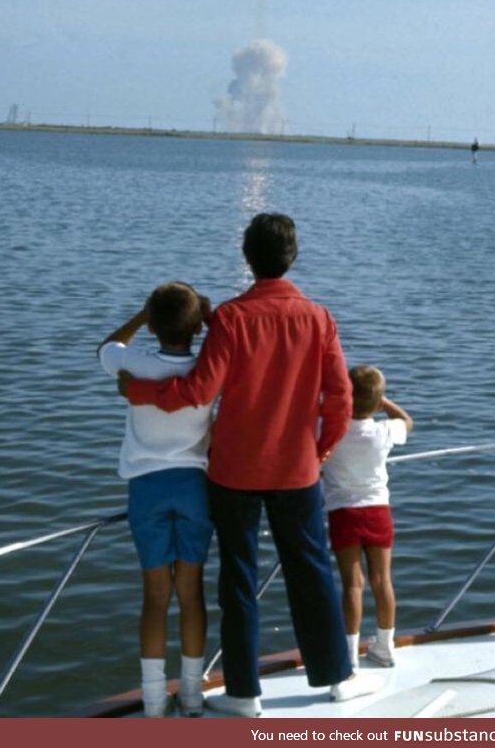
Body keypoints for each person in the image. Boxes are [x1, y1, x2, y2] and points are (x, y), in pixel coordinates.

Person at [119, 213, 384, 717]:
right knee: (312, 574)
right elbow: (341, 399)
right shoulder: (319, 318)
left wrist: (137, 389)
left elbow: (198, 391)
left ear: (248, 257)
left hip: (234, 473)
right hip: (297, 471)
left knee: (238, 578)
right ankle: (336, 678)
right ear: (293, 256)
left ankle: (243, 693)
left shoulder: (231, 319)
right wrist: (321, 450)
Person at [97, 282, 214, 718]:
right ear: (196, 326)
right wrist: (207, 320)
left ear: (153, 323)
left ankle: (151, 702)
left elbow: (106, 347)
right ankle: (191, 696)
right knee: (192, 594)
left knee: (154, 597)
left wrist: (140, 317)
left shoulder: (134, 362)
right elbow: (234, 351)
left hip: (146, 488)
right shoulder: (208, 366)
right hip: (194, 488)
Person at [321, 365, 413, 671]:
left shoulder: (331, 429)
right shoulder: (383, 430)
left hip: (342, 511)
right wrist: (382, 402)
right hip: (377, 510)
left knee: (352, 584)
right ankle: (385, 647)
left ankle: (348, 655)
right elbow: (407, 422)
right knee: (382, 579)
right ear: (376, 402)